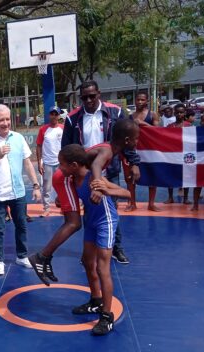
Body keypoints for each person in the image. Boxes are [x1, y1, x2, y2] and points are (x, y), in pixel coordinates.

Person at [29, 119, 140, 284]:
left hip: (68, 177)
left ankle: (49, 257)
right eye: (136, 138)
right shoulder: (108, 150)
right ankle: (42, 256)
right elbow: (95, 166)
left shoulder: (112, 149)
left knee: (78, 220)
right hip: (66, 176)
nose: (137, 142)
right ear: (126, 140)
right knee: (73, 223)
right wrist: (97, 187)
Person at [62, 80, 139, 264]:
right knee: (90, 210)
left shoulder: (115, 112)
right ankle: (91, 251)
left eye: (92, 96)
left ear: (99, 94)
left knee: (111, 210)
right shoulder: (73, 118)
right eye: (84, 97)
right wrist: (69, 175)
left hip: (109, 169)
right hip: (86, 173)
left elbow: (126, 137)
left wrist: (133, 162)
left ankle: (116, 248)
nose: (88, 100)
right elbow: (67, 147)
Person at [58, 143, 131, 335]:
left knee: (102, 268)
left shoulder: (94, 178)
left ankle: (107, 316)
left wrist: (107, 190)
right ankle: (96, 301)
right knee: (87, 262)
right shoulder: (73, 179)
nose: (59, 168)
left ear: (74, 165)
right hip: (90, 221)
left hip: (106, 222)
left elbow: (127, 193)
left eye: (62, 164)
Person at [0, 104, 41, 276]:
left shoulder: (18, 138)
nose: (5, 123)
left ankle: (22, 256)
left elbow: (27, 163)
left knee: (22, 225)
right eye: (1, 120)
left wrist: (36, 185)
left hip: (18, 192)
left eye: (7, 119)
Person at [128, 92, 160, 212]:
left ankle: (151, 204)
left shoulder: (152, 114)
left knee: (152, 176)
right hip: (134, 150)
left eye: (142, 100)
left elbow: (158, 131)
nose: (140, 102)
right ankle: (132, 203)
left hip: (149, 150)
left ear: (147, 101)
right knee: (131, 177)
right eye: (138, 99)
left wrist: (143, 123)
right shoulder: (131, 116)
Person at [36, 106, 64, 217]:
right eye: (52, 114)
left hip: (61, 163)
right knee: (46, 187)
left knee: (62, 186)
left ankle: (63, 207)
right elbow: (39, 146)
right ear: (49, 115)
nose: (54, 116)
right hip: (47, 163)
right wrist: (39, 162)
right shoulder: (43, 129)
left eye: (56, 114)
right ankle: (46, 208)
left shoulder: (63, 128)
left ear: (59, 116)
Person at [164, 104, 191, 205]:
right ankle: (170, 197)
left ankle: (186, 198)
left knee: (186, 176)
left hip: (185, 154)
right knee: (170, 175)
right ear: (174, 113)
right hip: (173, 154)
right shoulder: (170, 126)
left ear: (185, 113)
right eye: (177, 112)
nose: (179, 114)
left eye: (181, 112)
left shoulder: (189, 125)